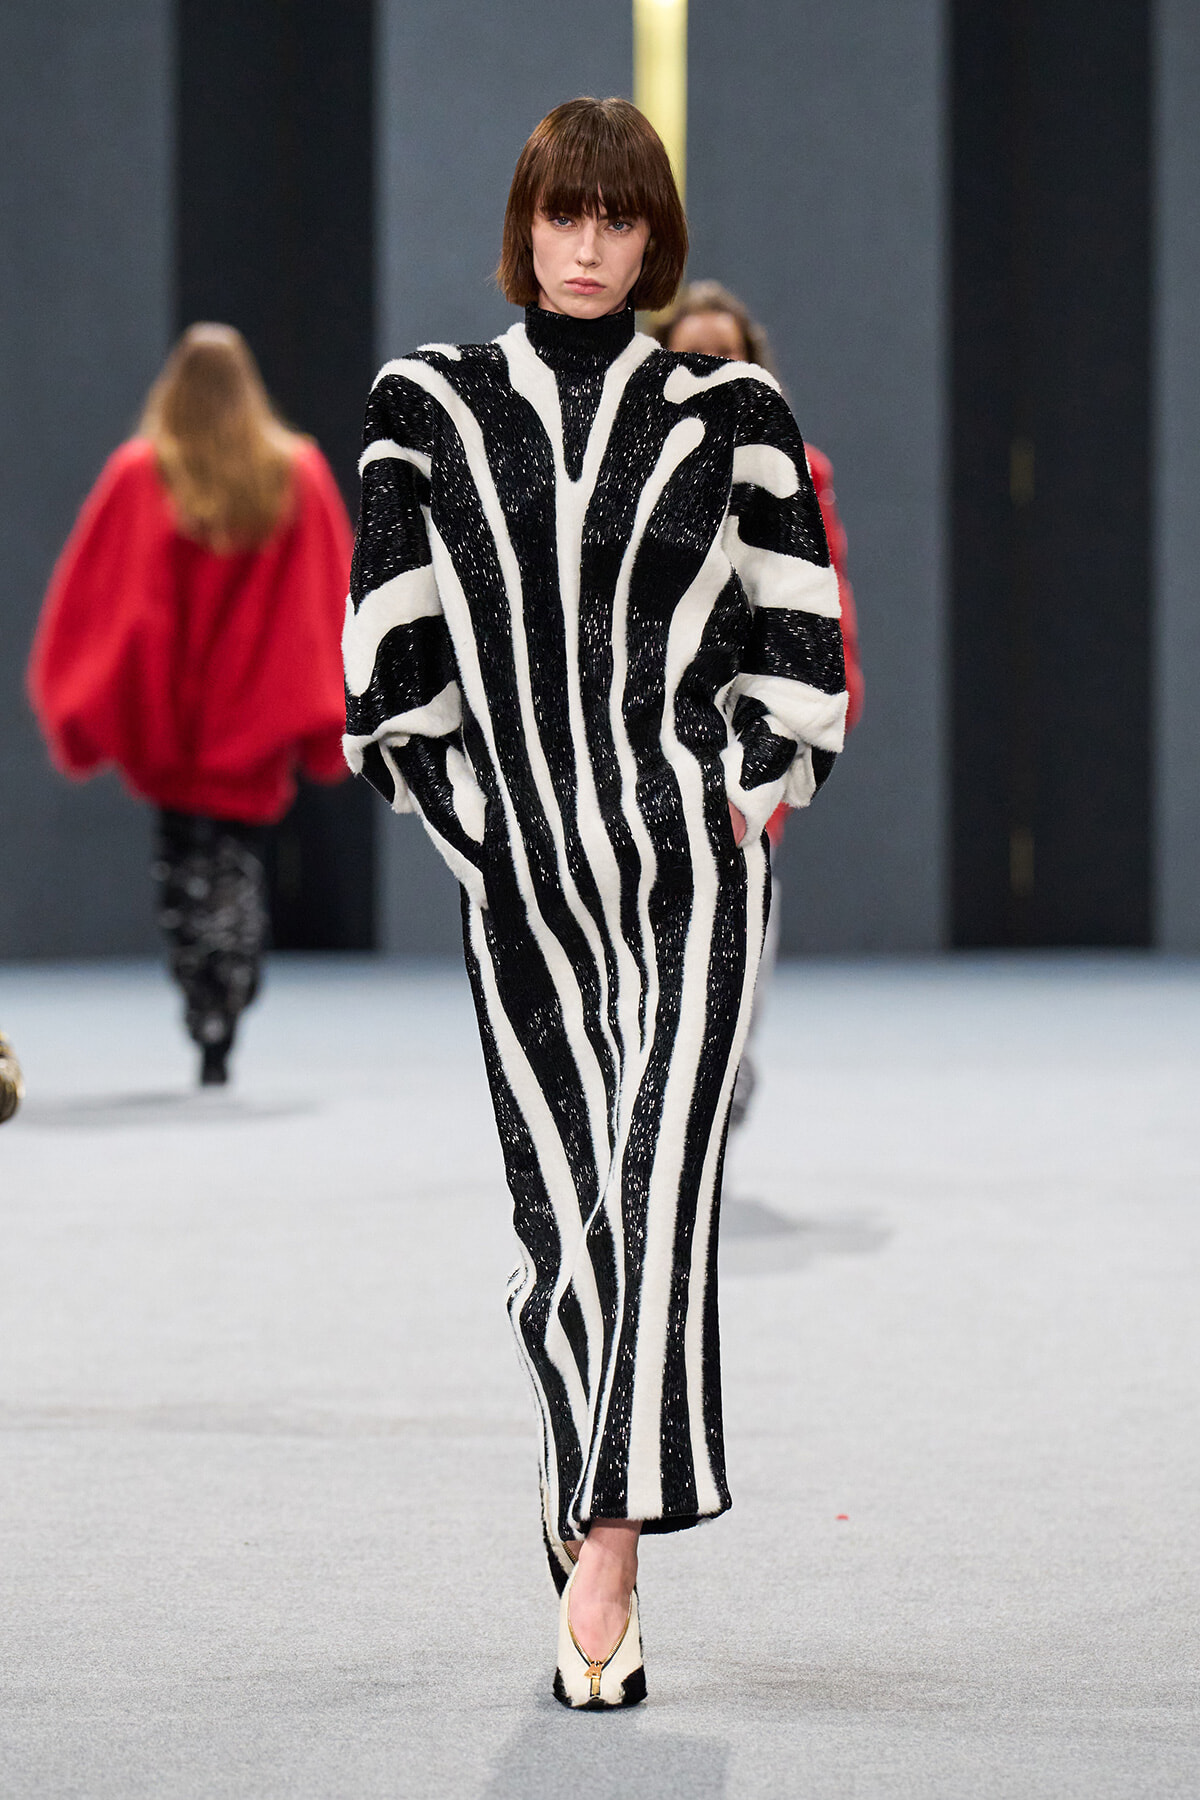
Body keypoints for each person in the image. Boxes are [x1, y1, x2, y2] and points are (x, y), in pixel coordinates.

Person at [343, 97, 848, 1707]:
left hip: (693, 877)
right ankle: (585, 1457)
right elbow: (390, 677)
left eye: (617, 220)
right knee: (562, 1231)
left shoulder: (734, 411)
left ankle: (607, 1550)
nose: (586, 247)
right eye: (563, 215)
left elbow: (803, 646)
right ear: (525, 223)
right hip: (525, 890)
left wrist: (752, 791)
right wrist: (479, 834)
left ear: (655, 238)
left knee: (655, 1198)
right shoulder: (421, 413)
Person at [28, 326, 352, 1085]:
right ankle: (227, 993)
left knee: (183, 865)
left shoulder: (143, 472)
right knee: (236, 859)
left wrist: (89, 710)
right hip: (256, 718)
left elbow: (102, 603)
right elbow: (326, 597)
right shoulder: (294, 473)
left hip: (173, 721)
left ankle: (205, 995)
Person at [654, 283, 864, 1133]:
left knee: (740, 901)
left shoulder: (798, 473)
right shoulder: (613, 472)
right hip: (641, 726)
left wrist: (815, 714)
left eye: (726, 354)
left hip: (748, 725)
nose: (709, 369)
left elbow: (823, 604)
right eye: (690, 353)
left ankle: (726, 1054)